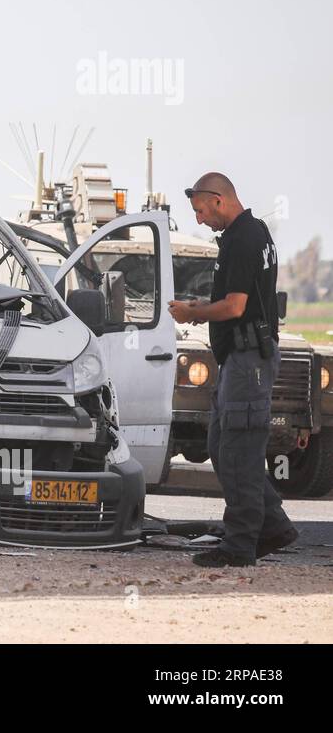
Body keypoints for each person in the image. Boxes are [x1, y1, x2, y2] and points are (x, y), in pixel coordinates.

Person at [169, 173, 298, 567]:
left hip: (248, 361)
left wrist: (193, 312)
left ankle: (240, 545)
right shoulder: (251, 232)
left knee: (239, 451)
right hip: (240, 359)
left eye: (201, 210)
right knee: (221, 447)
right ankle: (273, 526)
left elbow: (235, 306)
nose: (200, 220)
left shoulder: (244, 238)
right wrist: (202, 307)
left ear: (218, 200)